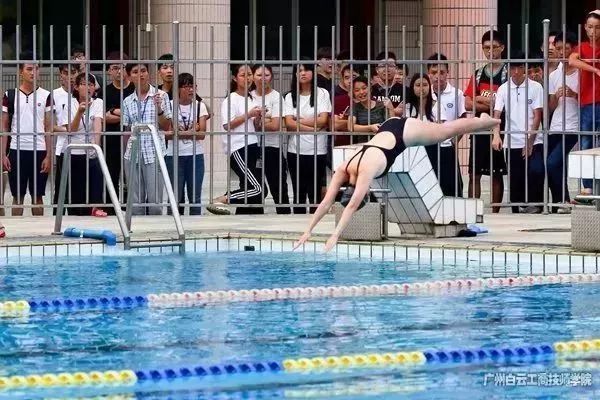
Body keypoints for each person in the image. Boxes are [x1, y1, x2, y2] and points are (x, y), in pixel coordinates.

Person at [293, 114, 500, 252]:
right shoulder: (343, 168)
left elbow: (352, 205)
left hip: (405, 132)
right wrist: (307, 231)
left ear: (365, 194)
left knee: (446, 131)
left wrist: (335, 235)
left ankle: (485, 121)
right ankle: (481, 121)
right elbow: (326, 202)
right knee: (444, 130)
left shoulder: (365, 171)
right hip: (388, 125)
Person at [1, 51, 54, 216]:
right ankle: (17, 230)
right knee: (17, 197)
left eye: (36, 69)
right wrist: (3, 155)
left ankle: (38, 229)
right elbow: (4, 127)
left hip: (39, 150)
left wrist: (49, 155)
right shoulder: (10, 95)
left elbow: (48, 127)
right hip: (17, 150)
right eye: (29, 69)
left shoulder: (46, 95)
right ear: (20, 71)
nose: (33, 72)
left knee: (38, 197)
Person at [491, 50, 544, 214]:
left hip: (534, 139)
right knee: (515, 176)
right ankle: (518, 206)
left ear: (525, 68)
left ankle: (536, 204)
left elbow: (537, 115)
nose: (515, 72)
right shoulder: (503, 89)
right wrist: (496, 135)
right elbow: (497, 115)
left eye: (519, 67)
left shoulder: (535, 87)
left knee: (536, 170)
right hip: (512, 140)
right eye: (512, 68)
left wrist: (529, 142)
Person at [208, 64, 264, 215]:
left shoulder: (252, 98)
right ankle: (222, 199)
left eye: (250, 74)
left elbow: (255, 127)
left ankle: (244, 215)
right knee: (258, 188)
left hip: (253, 145)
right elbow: (227, 124)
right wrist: (249, 114)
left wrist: (259, 117)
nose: (248, 78)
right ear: (234, 78)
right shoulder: (231, 99)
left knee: (251, 187)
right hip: (238, 148)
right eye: (243, 75)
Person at [464, 29, 508, 213]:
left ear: (502, 48)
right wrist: (488, 102)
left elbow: (505, 104)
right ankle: (473, 211)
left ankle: (496, 213)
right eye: (486, 48)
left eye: (494, 47)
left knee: (496, 174)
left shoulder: (507, 73)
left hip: (499, 129)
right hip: (479, 128)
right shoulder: (478, 74)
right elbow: (467, 103)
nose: (490, 51)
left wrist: (480, 99)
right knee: (474, 173)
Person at [121, 62, 172, 215]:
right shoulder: (127, 101)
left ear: (148, 73)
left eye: (143, 71)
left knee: (155, 203)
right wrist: (125, 155)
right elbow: (126, 130)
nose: (140, 74)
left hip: (154, 153)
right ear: (129, 76)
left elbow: (166, 126)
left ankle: (154, 228)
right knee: (135, 204)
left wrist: (159, 109)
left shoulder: (161, 95)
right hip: (133, 154)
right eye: (135, 72)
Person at [56, 73, 107, 216]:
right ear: (77, 87)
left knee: (95, 182)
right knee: (75, 190)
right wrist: (79, 112)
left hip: (91, 150)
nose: (88, 87)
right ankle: (75, 215)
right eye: (84, 84)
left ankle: (96, 208)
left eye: (91, 84)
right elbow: (71, 130)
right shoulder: (70, 103)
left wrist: (96, 146)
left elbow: (97, 124)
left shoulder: (98, 102)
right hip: (72, 151)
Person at [284, 61, 331, 214]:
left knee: (315, 193)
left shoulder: (322, 93)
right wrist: (313, 128)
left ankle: (314, 222)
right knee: (299, 192)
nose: (303, 73)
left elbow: (323, 120)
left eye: (306, 70)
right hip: (295, 150)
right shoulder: (289, 96)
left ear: (313, 72)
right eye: (299, 70)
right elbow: (289, 123)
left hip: (317, 150)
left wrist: (299, 121)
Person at [165, 73, 208, 216]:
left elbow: (202, 135)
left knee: (195, 197)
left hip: (195, 155)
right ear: (178, 89)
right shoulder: (170, 106)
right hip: (174, 155)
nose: (190, 90)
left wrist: (179, 132)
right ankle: (174, 224)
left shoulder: (200, 106)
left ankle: (195, 225)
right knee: (175, 197)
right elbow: (168, 134)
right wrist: (192, 131)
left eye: (192, 86)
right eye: (186, 86)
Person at [250, 64, 290, 214]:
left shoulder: (276, 96)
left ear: (271, 77)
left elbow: (275, 125)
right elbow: (248, 125)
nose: (263, 79)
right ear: (253, 77)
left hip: (273, 148)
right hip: (253, 148)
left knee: (279, 188)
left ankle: (284, 216)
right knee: (256, 189)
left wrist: (258, 122)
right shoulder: (249, 96)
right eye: (259, 75)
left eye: (266, 75)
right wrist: (264, 120)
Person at [569, 10, 600, 198]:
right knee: (586, 142)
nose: (593, 31)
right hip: (587, 101)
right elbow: (572, 60)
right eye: (590, 27)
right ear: (585, 28)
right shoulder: (582, 47)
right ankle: (587, 186)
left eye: (597, 28)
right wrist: (595, 69)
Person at [548, 31, 579, 210]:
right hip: (556, 125)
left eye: (565, 48)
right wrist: (556, 96)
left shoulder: (581, 72)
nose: (561, 52)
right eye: (558, 48)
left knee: (553, 162)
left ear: (573, 49)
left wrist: (574, 95)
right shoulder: (554, 75)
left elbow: (590, 101)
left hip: (574, 126)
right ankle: (558, 202)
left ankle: (564, 201)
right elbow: (551, 107)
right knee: (555, 164)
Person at [428, 53, 466, 197]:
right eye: (433, 72)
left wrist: (454, 141)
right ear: (428, 73)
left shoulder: (457, 94)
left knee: (452, 186)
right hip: (428, 146)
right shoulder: (424, 93)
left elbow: (462, 120)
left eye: (442, 72)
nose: (438, 76)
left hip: (447, 146)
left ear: (448, 72)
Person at [103, 51, 135, 206]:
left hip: (133, 139)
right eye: (115, 68)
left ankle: (131, 208)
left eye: (122, 67)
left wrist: (113, 111)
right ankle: (112, 208)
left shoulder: (135, 89)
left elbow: (137, 115)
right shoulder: (105, 91)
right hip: (111, 140)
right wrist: (127, 114)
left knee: (131, 177)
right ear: (109, 71)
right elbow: (103, 117)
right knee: (111, 175)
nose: (119, 71)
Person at [347, 76, 386, 144]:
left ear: (370, 89)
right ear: (353, 93)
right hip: (363, 145)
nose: (361, 92)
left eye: (364, 88)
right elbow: (350, 127)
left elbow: (390, 124)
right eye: (357, 90)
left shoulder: (381, 105)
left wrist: (391, 108)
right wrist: (370, 127)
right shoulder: (354, 107)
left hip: (382, 143)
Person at [371, 51, 405, 117]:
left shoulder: (405, 90)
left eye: (390, 65)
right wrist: (394, 110)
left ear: (396, 69)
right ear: (377, 70)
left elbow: (404, 112)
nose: (386, 69)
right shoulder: (370, 90)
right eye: (382, 66)